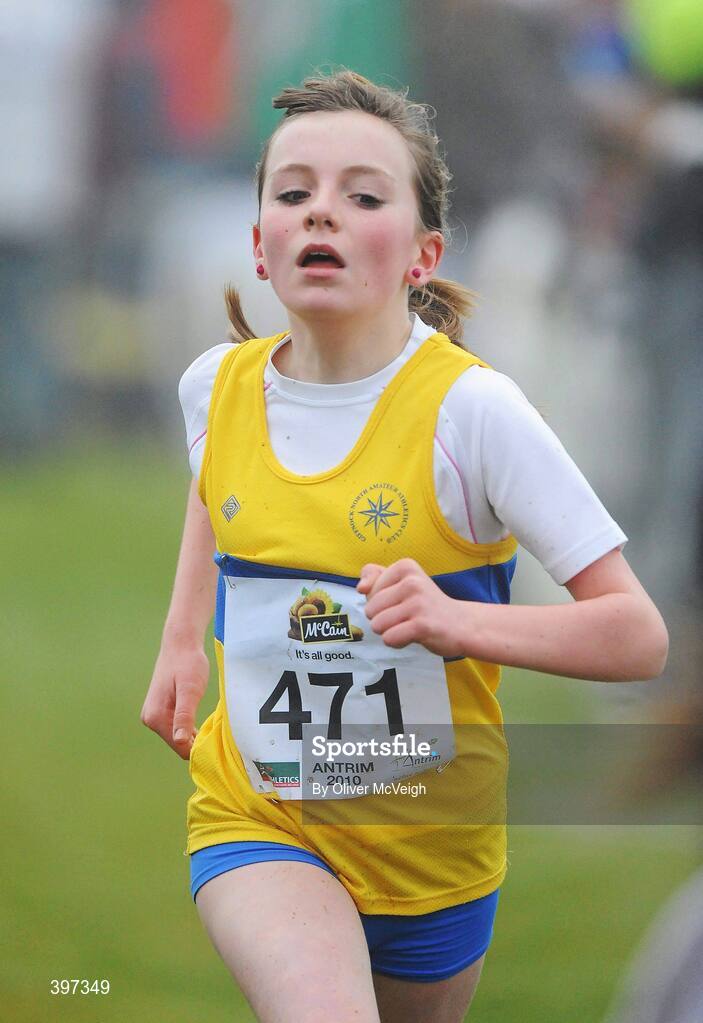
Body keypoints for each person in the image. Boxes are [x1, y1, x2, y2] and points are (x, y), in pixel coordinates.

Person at [140, 69, 669, 1023]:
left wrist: (454, 621)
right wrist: (182, 636)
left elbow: (637, 636)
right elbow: (216, 486)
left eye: (362, 195)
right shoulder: (213, 389)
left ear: (423, 255)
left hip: (434, 853)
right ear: (260, 244)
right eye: (293, 193)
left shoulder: (474, 413)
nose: (320, 212)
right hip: (259, 815)